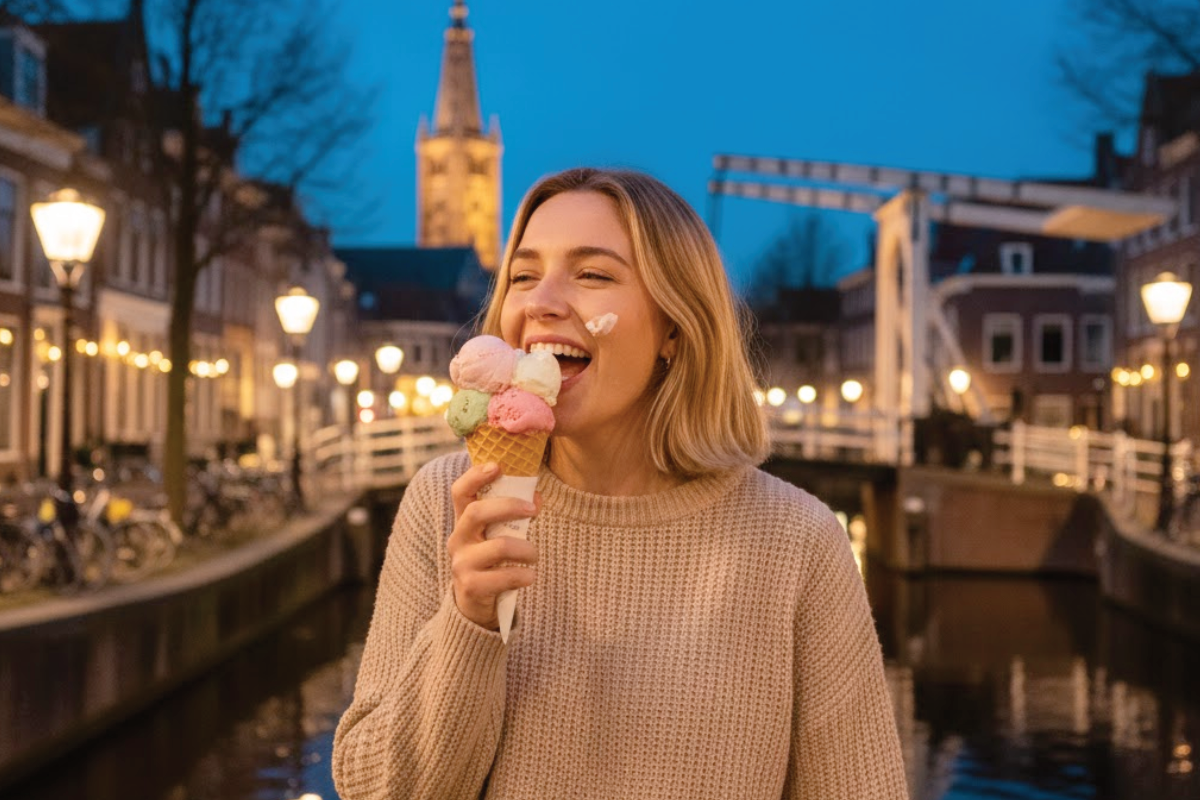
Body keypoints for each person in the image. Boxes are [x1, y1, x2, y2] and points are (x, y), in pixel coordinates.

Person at [332, 168, 908, 799]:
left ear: (673, 328)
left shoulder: (797, 543)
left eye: (593, 274)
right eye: (522, 275)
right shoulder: (448, 502)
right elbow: (375, 791)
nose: (540, 302)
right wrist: (469, 621)